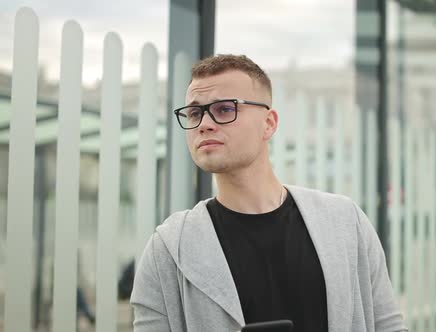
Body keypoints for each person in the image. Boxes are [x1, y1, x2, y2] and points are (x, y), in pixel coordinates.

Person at [130, 54, 407, 332]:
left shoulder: (345, 222)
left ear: (269, 123)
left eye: (225, 109)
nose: (204, 123)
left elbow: (389, 327)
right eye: (194, 113)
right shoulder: (168, 248)